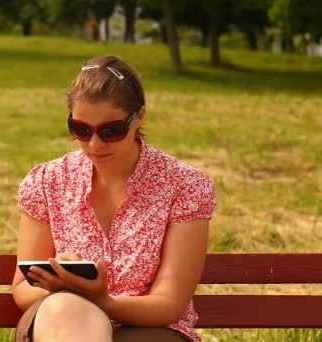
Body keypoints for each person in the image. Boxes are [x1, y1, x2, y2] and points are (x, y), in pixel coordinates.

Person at [11, 55, 217, 342]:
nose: (94, 144)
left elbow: (169, 304)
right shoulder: (47, 181)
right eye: (80, 129)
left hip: (149, 331)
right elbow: (22, 288)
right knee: (65, 307)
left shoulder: (185, 186)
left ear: (139, 117)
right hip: (59, 323)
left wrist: (102, 300)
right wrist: (59, 284)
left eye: (111, 130)